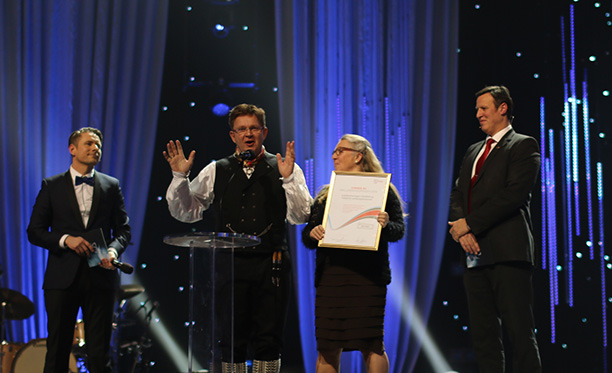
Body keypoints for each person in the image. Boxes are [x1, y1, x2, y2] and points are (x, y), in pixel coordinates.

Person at [164, 103, 312, 373]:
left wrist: (289, 178)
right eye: (242, 129)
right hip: (228, 266)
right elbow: (186, 212)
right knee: (229, 339)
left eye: (254, 128)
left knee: (269, 339)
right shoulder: (217, 169)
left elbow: (301, 215)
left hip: (272, 264)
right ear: (232, 135)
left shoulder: (284, 167)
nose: (248, 134)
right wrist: (179, 176)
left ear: (264, 132)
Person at [448, 86, 542, 372]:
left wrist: (470, 224)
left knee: (519, 333)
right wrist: (461, 229)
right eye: (476, 110)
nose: (477, 115)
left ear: (503, 109)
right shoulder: (473, 150)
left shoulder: (524, 145)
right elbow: (457, 194)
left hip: (508, 252)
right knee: (483, 335)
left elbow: (513, 195)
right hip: (475, 254)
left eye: (483, 108)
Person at [27, 127, 131, 373]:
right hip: (62, 278)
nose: (95, 149)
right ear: (72, 149)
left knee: (99, 354)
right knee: (57, 351)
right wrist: (66, 240)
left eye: (98, 145)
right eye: (89, 144)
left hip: (101, 278)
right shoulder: (51, 186)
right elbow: (35, 231)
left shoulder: (110, 185)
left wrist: (114, 252)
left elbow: (124, 231)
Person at [301, 134, 405, 373]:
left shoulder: (382, 190)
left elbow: (398, 230)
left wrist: (386, 224)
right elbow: (307, 236)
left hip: (367, 278)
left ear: (358, 156)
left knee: (372, 344)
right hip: (332, 279)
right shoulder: (326, 193)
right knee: (327, 346)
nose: (334, 155)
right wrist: (314, 232)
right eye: (334, 151)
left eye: (340, 150)